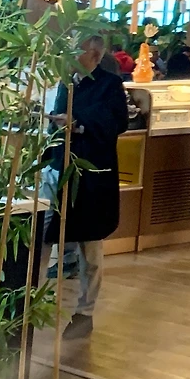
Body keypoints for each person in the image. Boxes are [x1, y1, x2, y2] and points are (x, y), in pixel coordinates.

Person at [45, 33, 129, 340]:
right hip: (60, 168)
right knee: (46, 234)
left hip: (92, 173)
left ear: (93, 54)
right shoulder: (67, 82)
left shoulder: (110, 84)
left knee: (90, 248)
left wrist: (78, 123)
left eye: (75, 51)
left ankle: (85, 311)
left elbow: (116, 123)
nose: (69, 57)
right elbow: (56, 123)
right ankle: (27, 303)